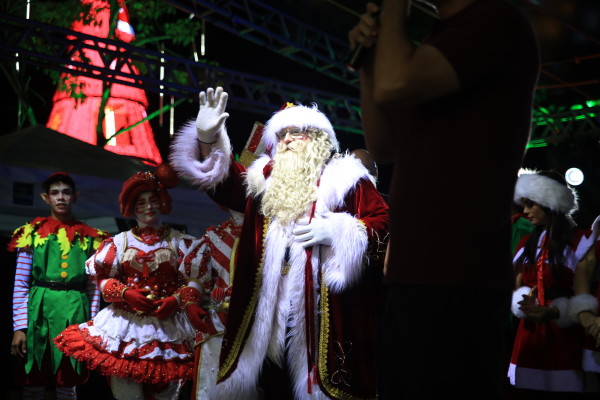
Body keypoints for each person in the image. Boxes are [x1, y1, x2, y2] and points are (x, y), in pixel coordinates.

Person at [348, 0, 540, 398]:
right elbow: (383, 145)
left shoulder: (494, 21)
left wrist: (394, 8)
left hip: (458, 275)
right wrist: (368, 63)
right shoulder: (434, 45)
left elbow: (393, 84)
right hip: (411, 275)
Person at [169, 87, 389, 399]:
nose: (285, 140)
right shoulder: (264, 181)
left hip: (323, 312)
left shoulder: (348, 179)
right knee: (271, 385)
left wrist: (339, 232)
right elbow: (224, 183)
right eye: (281, 134)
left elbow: (383, 224)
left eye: (294, 133)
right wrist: (207, 139)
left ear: (318, 138)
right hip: (268, 309)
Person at [53, 165, 208, 400]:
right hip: (124, 325)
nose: (148, 207)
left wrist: (176, 300)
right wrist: (125, 293)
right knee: (125, 392)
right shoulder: (119, 242)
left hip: (169, 327)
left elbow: (196, 279)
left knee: (167, 392)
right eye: (141, 202)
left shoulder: (181, 242)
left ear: (163, 202)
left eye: (153, 200)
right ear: (132, 207)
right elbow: (102, 279)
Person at [8, 172, 109, 400]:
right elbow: (21, 283)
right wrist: (19, 327)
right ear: (46, 198)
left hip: (75, 310)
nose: (61, 197)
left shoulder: (90, 237)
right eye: (55, 193)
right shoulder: (32, 233)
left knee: (68, 380)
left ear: (75, 196)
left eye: (66, 192)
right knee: (34, 379)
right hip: (39, 312)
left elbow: (93, 287)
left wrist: (92, 325)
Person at [508, 170, 597, 395]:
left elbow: (587, 290)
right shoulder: (528, 242)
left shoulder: (581, 241)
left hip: (565, 334)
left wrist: (554, 311)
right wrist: (524, 302)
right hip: (530, 332)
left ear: (551, 202)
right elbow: (517, 282)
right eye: (524, 205)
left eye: (531, 204)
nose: (525, 211)